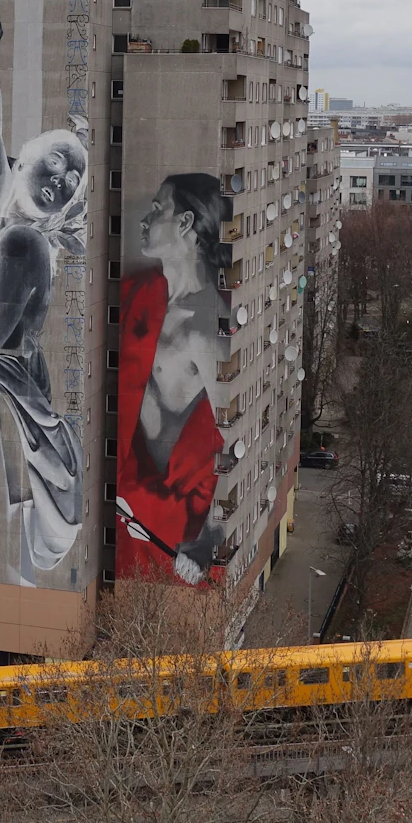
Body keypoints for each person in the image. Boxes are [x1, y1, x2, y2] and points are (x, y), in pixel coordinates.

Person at [0, 0, 87, 585]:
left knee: (51, 495)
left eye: (71, 182)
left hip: (25, 372)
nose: (60, 181)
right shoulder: (19, 235)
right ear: (30, 158)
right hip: (2, 371)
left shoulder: (42, 241)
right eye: (57, 163)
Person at [117, 174, 231, 584]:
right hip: (129, 507)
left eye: (157, 208)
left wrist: (208, 538)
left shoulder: (205, 329)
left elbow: (241, 436)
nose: (145, 219)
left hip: (174, 532)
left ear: (185, 224)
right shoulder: (138, 296)